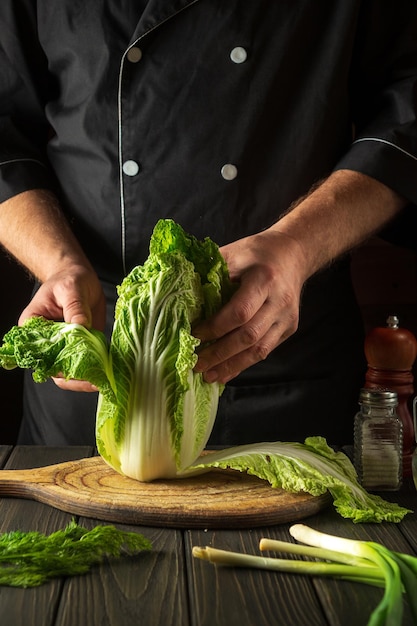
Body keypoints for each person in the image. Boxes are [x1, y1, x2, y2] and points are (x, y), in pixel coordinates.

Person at [0, 2, 416, 448]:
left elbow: (407, 114)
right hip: (101, 365)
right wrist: (57, 264)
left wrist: (297, 246)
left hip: (283, 359)